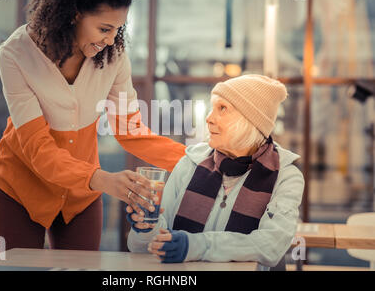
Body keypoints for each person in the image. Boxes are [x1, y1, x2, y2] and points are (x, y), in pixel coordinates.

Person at [0, 0, 186, 251]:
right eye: (104, 29)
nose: (111, 40)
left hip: (81, 193)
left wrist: (197, 162)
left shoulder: (114, 57)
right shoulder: (15, 54)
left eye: (118, 30)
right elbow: (37, 148)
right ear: (74, 14)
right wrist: (103, 179)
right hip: (22, 188)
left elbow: (131, 131)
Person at [126, 75, 305, 270]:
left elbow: (271, 246)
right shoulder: (190, 163)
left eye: (223, 108)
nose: (209, 118)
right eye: (213, 108)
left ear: (250, 121)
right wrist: (146, 228)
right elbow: (148, 249)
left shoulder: (286, 177)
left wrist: (196, 246)